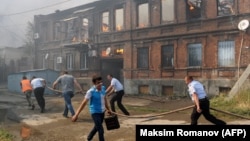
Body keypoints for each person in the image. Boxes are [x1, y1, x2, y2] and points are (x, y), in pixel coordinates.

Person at [71, 75, 111, 141]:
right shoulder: (91, 91)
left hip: (102, 112)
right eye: (98, 83)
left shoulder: (103, 88)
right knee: (101, 130)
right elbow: (83, 103)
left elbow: (104, 99)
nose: (100, 84)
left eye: (101, 82)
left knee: (97, 126)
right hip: (95, 112)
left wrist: (108, 109)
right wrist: (76, 114)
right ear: (94, 83)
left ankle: (89, 138)